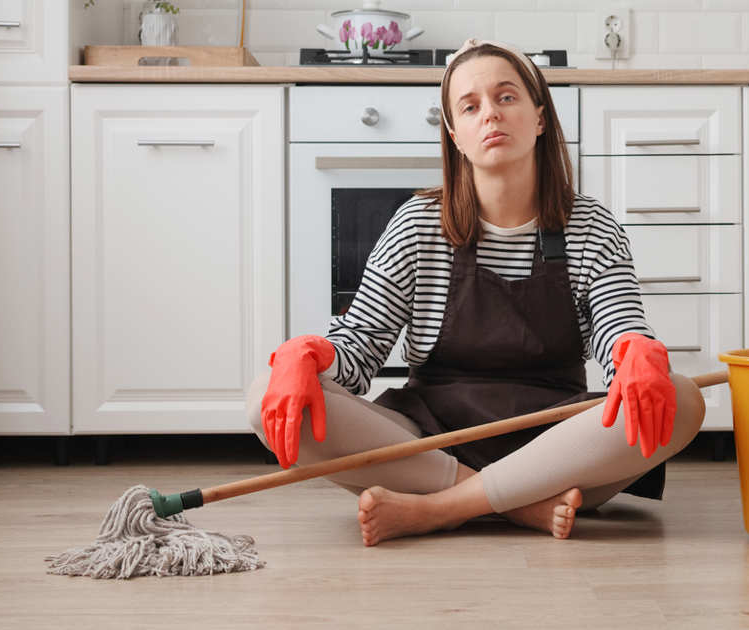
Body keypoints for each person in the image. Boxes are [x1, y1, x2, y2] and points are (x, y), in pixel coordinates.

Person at [246, 38, 706, 547]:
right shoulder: (419, 224)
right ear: (455, 135)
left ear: (539, 116)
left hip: (553, 445)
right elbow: (358, 353)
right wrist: (306, 355)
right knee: (262, 396)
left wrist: (637, 352)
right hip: (427, 442)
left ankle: (438, 509)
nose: (490, 114)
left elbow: (622, 332)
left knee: (683, 400)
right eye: (470, 106)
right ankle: (514, 505)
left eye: (506, 97)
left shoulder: (589, 225)